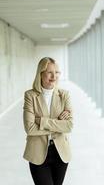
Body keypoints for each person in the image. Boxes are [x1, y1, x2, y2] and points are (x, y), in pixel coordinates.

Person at [23, 57, 73, 185]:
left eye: (57, 72)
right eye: (49, 72)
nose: (54, 76)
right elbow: (30, 128)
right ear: (41, 73)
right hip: (37, 153)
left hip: (60, 153)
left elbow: (69, 126)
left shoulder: (64, 95)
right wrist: (58, 124)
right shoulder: (30, 96)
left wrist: (42, 121)